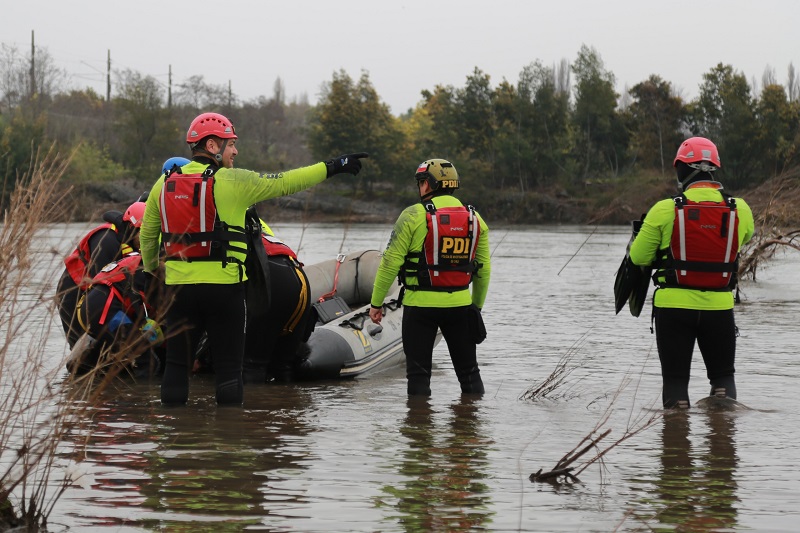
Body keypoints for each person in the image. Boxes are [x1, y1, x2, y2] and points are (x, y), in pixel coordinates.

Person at [139, 111, 367, 406]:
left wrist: (148, 272)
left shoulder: (163, 185)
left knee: (177, 368)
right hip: (225, 293)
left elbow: (147, 236)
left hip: (180, 292)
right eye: (230, 144)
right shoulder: (235, 181)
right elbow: (287, 182)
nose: (235, 150)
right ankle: (231, 445)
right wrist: (334, 166)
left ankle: (173, 442)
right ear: (212, 146)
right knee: (230, 371)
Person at [629, 137, 754, 409]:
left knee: (675, 384)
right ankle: (723, 441)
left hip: (673, 309)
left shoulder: (664, 209)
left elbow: (638, 257)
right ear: (714, 169)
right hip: (719, 308)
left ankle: (676, 445)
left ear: (683, 170)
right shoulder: (740, 209)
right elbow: (740, 241)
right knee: (723, 378)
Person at [368, 159, 491, 396]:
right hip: (460, 306)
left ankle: (418, 429)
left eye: (420, 182)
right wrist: (475, 307)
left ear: (427, 185)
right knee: (469, 373)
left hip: (419, 309)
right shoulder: (475, 220)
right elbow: (483, 270)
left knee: (418, 375)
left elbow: (390, 263)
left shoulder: (412, 215)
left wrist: (376, 303)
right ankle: (472, 425)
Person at [56, 200, 146, 348]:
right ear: (132, 227)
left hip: (94, 295)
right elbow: (103, 282)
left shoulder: (127, 240)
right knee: (84, 350)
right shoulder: (107, 240)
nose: (146, 239)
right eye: (144, 234)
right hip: (73, 293)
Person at [68, 250, 164, 377]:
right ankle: (143, 395)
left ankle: (86, 386)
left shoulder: (136, 261)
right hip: (107, 311)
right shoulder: (150, 269)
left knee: (115, 365)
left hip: (91, 309)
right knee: (149, 361)